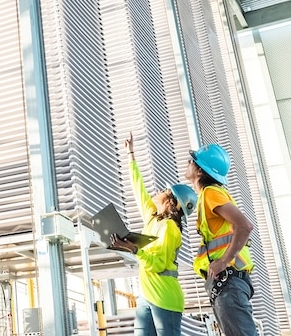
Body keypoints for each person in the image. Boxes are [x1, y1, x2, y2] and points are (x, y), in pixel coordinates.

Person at [109, 134, 198, 336]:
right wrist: (130, 155)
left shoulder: (169, 228)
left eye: (166, 191)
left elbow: (158, 264)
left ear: (170, 203)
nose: (159, 191)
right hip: (147, 296)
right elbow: (138, 189)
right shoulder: (152, 217)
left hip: (165, 297)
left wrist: (133, 249)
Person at [186, 142, 257, 336]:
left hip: (229, 282)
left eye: (192, 160)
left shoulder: (210, 193)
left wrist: (223, 261)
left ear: (200, 171)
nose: (188, 162)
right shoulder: (207, 196)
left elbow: (244, 226)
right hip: (226, 284)